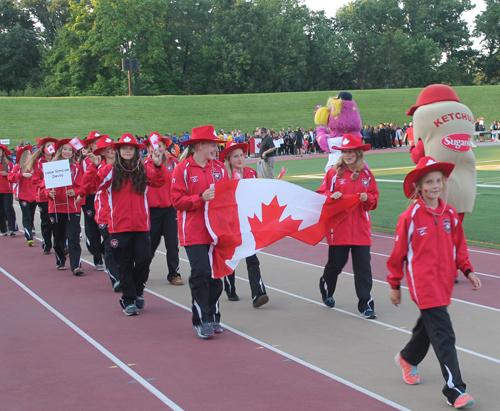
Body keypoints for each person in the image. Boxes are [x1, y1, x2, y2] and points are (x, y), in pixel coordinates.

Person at [386, 156, 481, 409]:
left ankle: (408, 358)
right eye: (429, 181)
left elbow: (459, 246)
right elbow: (398, 254)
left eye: (439, 180)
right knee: (444, 335)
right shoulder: (410, 216)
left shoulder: (450, 214)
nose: (435, 185)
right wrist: (394, 284)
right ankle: (455, 390)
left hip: (444, 283)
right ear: (419, 186)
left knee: (431, 326)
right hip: (424, 283)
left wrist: (467, 269)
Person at [83, 134, 166, 316]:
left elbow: (160, 182)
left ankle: (137, 289)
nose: (128, 151)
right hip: (119, 226)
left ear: (136, 151)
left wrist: (158, 165)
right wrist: (93, 165)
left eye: (131, 148)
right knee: (125, 263)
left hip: (142, 226)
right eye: (124, 148)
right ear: (118, 151)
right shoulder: (110, 171)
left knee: (144, 259)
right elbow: (90, 186)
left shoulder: (142, 170)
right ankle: (128, 299)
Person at [171, 125, 230, 339]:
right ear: (199, 146)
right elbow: (176, 201)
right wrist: (199, 199)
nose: (216, 148)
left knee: (216, 276)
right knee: (201, 273)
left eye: (217, 145)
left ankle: (213, 315)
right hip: (193, 231)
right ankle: (200, 320)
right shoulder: (183, 169)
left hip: (216, 232)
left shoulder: (220, 169)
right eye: (213, 144)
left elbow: (227, 199)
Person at [316, 134, 379, 319]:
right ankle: (326, 288)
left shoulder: (367, 175)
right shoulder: (333, 174)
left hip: (361, 230)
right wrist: (330, 196)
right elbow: (321, 194)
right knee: (335, 266)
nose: (347, 155)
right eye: (344, 152)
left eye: (350, 151)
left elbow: (374, 199)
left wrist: (369, 199)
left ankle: (365, 304)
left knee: (363, 269)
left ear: (359, 153)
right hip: (339, 229)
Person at [219, 140, 269, 308]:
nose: (240, 159)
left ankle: (259, 292)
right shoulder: (223, 175)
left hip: (248, 222)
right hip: (229, 223)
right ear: (229, 159)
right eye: (236, 156)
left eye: (242, 155)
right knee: (231, 256)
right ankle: (230, 288)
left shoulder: (251, 173)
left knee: (251, 257)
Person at [80, 135, 121, 291]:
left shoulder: (123, 166)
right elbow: (87, 187)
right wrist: (93, 166)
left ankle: (121, 273)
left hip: (122, 214)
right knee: (111, 246)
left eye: (113, 148)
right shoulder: (98, 167)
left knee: (121, 247)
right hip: (105, 214)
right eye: (107, 149)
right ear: (102, 152)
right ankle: (115, 278)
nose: (111, 151)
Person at [143, 132, 183, 286]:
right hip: (152, 210)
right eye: (153, 146)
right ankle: (143, 272)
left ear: (166, 147)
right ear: (148, 148)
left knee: (172, 243)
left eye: (159, 145)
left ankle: (174, 274)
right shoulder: (144, 164)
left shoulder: (173, 162)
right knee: (150, 244)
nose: (157, 149)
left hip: (170, 208)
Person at [45, 139, 84, 275]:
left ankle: (76, 266)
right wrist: (49, 193)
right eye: (65, 149)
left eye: (70, 150)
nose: (67, 152)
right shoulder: (51, 166)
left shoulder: (76, 167)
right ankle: (60, 260)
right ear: (59, 151)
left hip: (72, 208)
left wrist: (76, 192)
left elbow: (81, 186)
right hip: (55, 207)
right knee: (58, 236)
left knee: (73, 237)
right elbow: (45, 187)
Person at [27, 137, 58, 253]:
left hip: (56, 196)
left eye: (53, 145)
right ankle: (47, 244)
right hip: (43, 196)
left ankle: (58, 245)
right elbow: (35, 180)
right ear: (43, 148)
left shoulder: (57, 160)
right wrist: (48, 183)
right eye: (48, 145)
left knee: (57, 221)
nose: (51, 148)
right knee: (46, 221)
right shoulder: (38, 162)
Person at [81, 131, 105, 271]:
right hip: (91, 198)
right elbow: (85, 182)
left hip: (104, 197)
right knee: (93, 228)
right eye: (96, 142)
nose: (98, 145)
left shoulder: (107, 159)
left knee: (106, 228)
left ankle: (103, 249)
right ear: (90, 146)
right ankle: (98, 259)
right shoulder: (85, 162)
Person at [8, 145, 36, 245]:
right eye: (28, 154)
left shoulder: (33, 167)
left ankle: (31, 228)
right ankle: (29, 237)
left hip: (34, 196)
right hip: (23, 196)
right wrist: (22, 175)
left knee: (31, 215)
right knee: (27, 216)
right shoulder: (18, 167)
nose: (31, 155)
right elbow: (10, 178)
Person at [0, 144, 16, 236]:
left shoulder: (8, 164)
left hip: (7, 190)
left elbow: (13, 176)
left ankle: (12, 228)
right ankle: (3, 229)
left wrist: (7, 174)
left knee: (8, 209)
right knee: (0, 210)